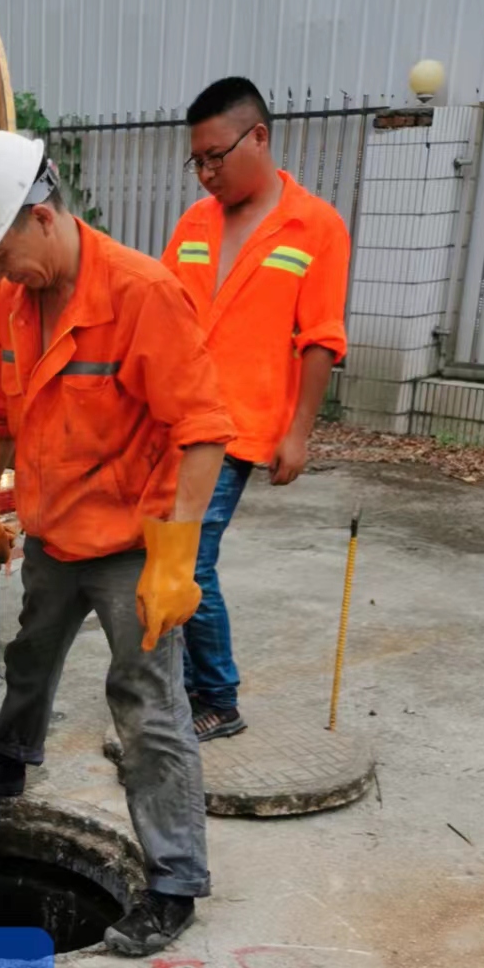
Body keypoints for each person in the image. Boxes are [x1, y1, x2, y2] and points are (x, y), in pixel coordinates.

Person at [0, 131, 235, 958]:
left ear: (42, 215)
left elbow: (203, 430)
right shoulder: (11, 305)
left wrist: (177, 557)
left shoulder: (142, 293)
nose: (1, 274)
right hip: (54, 527)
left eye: (1, 254)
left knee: (147, 705)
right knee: (29, 656)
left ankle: (173, 881)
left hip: (134, 540)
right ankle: (10, 759)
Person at [162, 75, 350, 741]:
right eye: (197, 160)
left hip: (239, 426)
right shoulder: (194, 223)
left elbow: (320, 338)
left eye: (216, 156)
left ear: (260, 137)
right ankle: (182, 687)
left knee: (190, 557)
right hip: (175, 417)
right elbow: (160, 310)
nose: (206, 173)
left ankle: (218, 698)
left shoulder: (315, 227)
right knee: (164, 549)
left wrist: (299, 434)